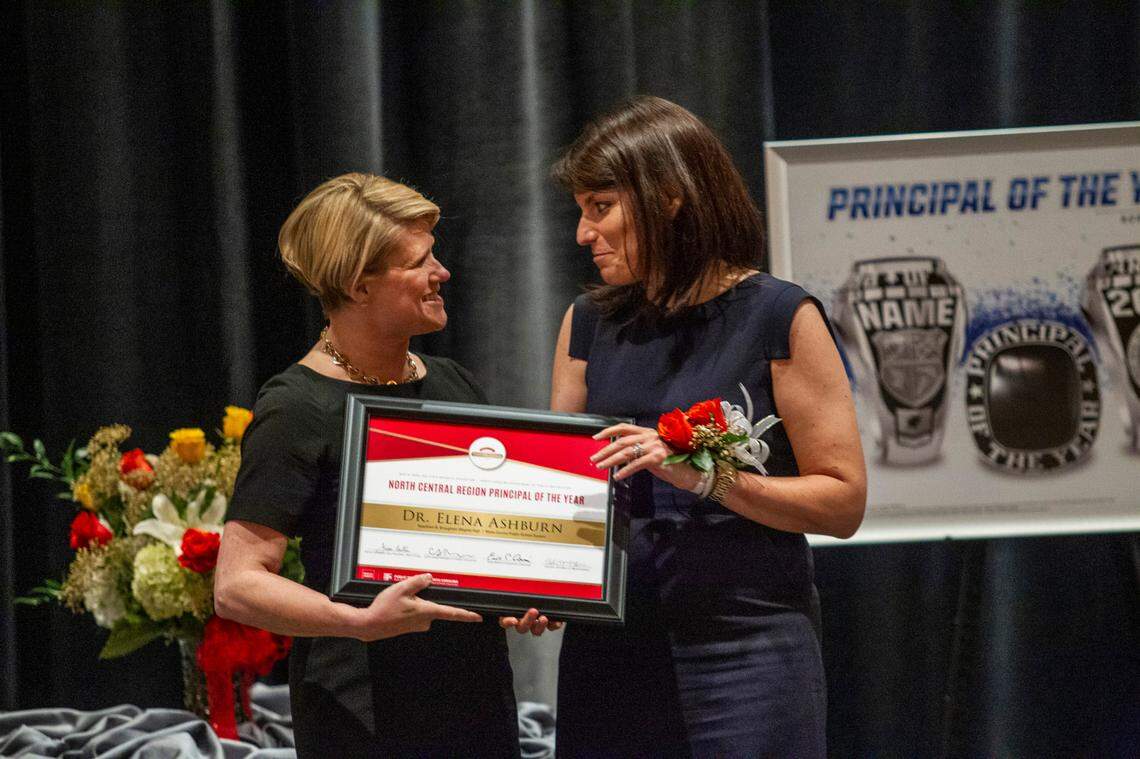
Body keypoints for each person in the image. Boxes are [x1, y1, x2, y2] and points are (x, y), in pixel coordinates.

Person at [540, 96, 866, 757]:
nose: (582, 233)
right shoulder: (588, 323)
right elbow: (561, 489)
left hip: (747, 646)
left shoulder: (779, 316)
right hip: (612, 649)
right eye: (581, 210)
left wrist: (705, 476)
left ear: (668, 198)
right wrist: (532, 579)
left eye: (600, 207)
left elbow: (842, 503)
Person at [214, 173, 520, 758]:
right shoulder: (298, 406)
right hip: (361, 711)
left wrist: (529, 597)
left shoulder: (454, 383)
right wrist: (357, 621)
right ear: (359, 286)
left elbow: (491, 539)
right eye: (421, 262)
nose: (442, 273)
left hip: (475, 696)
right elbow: (237, 585)